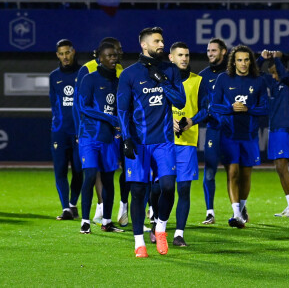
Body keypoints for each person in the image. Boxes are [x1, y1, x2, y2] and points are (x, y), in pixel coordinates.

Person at [117, 27, 186, 258]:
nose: (161, 44)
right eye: (157, 41)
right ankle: (139, 242)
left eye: (162, 40)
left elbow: (180, 101)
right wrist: (126, 138)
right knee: (137, 191)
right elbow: (122, 109)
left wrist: (163, 81)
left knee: (168, 186)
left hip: (164, 142)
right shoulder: (129, 74)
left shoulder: (170, 70)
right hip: (138, 142)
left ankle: (161, 228)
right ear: (144, 45)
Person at [210, 45, 269, 229]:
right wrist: (230, 109)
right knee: (233, 173)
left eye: (246, 60)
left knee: (245, 174)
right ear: (233, 62)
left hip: (250, 136)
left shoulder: (258, 81)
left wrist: (248, 109)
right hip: (229, 134)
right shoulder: (223, 79)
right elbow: (213, 106)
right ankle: (236, 214)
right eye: (239, 60)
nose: (243, 63)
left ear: (251, 61)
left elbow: (265, 108)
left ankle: (241, 209)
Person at [73, 37, 127, 227]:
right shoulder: (89, 79)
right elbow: (83, 107)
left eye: (115, 55)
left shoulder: (119, 81)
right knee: (89, 176)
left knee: (108, 179)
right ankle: (85, 221)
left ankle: (107, 220)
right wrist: (110, 119)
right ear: (100, 58)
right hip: (90, 136)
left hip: (110, 139)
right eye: (109, 55)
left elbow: (121, 108)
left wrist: (121, 126)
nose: (114, 58)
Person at [168, 42, 206, 247]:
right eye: (180, 55)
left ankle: (179, 233)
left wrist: (191, 121)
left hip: (187, 143)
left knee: (183, 189)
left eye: (187, 55)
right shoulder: (162, 80)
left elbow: (206, 109)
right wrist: (167, 121)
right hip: (163, 143)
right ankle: (158, 224)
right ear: (171, 58)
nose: (184, 58)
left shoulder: (198, 81)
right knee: (160, 188)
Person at [257, 50, 289, 217]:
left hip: (285, 127)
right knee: (278, 168)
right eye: (272, 74)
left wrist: (277, 60)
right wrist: (262, 59)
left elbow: (285, 77)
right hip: (274, 128)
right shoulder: (275, 83)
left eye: (275, 72)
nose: (274, 77)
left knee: (283, 167)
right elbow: (253, 73)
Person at [49, 39, 82, 220]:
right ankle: (65, 208)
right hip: (60, 131)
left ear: (73, 52)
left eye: (67, 53)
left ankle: (72, 203)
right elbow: (53, 103)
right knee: (60, 170)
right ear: (57, 55)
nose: (65, 57)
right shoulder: (54, 76)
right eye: (61, 54)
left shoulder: (83, 73)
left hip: (78, 131)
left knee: (78, 170)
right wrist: (56, 125)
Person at [198, 38, 228, 225]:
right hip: (214, 130)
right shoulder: (202, 77)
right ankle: (210, 212)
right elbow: (201, 105)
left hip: (233, 131)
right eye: (208, 50)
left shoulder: (232, 74)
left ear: (223, 52)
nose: (210, 53)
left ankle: (240, 207)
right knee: (209, 172)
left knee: (236, 172)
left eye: (214, 50)